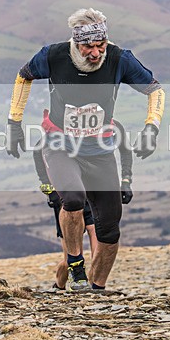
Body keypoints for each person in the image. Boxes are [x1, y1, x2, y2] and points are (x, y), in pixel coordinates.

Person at [7, 7, 165, 292]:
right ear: (75, 43)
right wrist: (14, 123)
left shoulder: (119, 58)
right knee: (74, 198)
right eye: (88, 46)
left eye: (100, 44)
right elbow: (23, 76)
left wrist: (151, 127)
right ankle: (75, 262)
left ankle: (96, 289)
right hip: (60, 145)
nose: (95, 52)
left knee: (110, 230)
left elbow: (155, 90)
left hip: (99, 150)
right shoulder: (53, 55)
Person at [33, 117, 134, 290]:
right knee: (68, 259)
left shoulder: (114, 125)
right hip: (69, 197)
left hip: (93, 194)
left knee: (98, 239)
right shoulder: (62, 128)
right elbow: (39, 150)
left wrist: (125, 180)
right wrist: (49, 188)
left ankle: (90, 288)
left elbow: (125, 151)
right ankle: (59, 286)